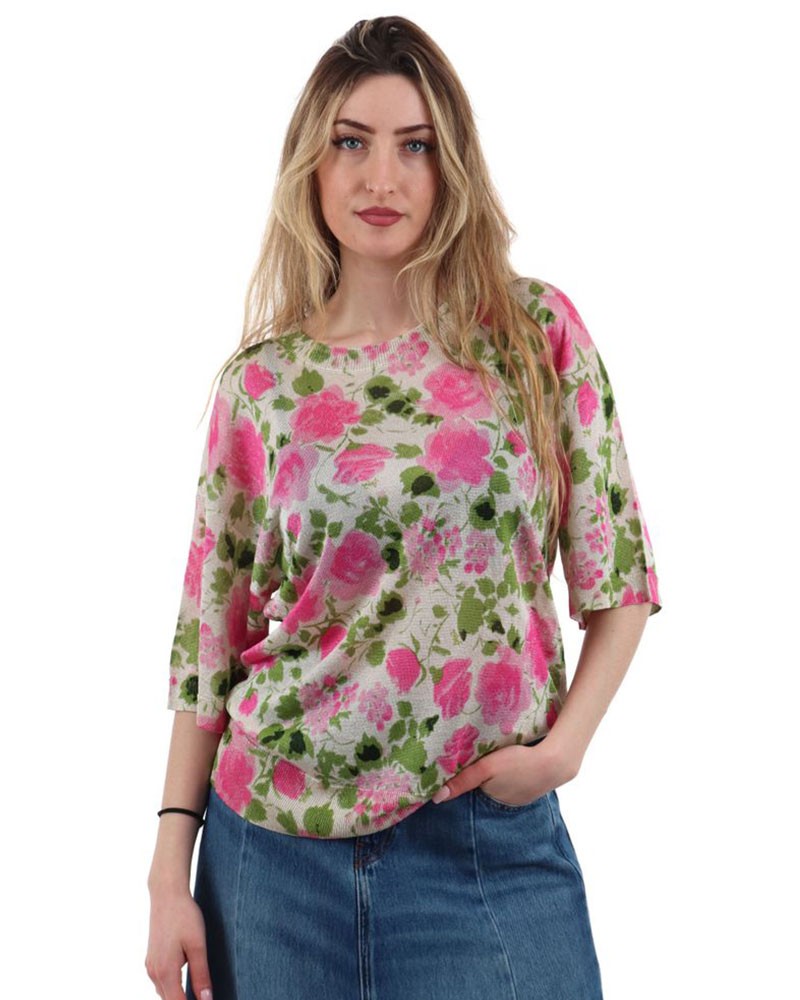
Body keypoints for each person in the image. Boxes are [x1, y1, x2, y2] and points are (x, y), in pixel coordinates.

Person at [146, 15, 662, 1000]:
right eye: (351, 142)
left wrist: (561, 753)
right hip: (272, 858)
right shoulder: (263, 385)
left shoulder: (533, 336)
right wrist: (169, 868)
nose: (380, 178)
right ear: (310, 163)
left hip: (485, 844)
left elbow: (620, 576)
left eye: (414, 147)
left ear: (451, 165)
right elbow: (210, 638)